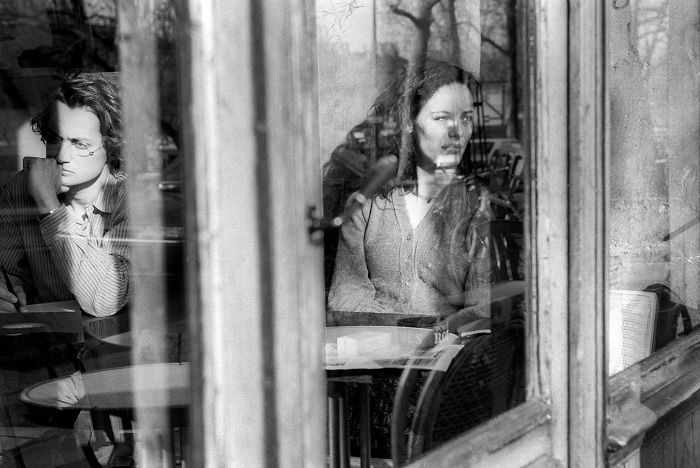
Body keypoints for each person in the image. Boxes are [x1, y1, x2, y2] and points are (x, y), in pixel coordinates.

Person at [328, 59, 492, 319]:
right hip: (372, 352)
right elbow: (346, 294)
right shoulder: (369, 200)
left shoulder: (476, 206)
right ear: (408, 122)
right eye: (442, 118)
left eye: (466, 118)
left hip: (446, 355)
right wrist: (392, 337)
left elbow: (482, 310)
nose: (457, 132)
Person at [0, 72, 128, 317]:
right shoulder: (22, 188)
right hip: (54, 347)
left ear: (111, 148)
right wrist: (6, 289)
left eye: (80, 144)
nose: (61, 156)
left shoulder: (129, 199)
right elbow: (8, 269)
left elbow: (104, 300)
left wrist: (49, 205)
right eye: (56, 140)